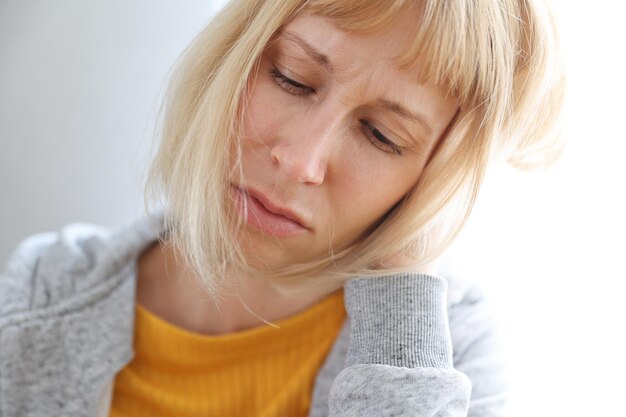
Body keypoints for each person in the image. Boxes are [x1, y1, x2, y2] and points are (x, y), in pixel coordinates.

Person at [0, 0, 564, 416]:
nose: (300, 161)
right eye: (291, 79)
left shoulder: (451, 357)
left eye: (381, 135)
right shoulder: (44, 292)